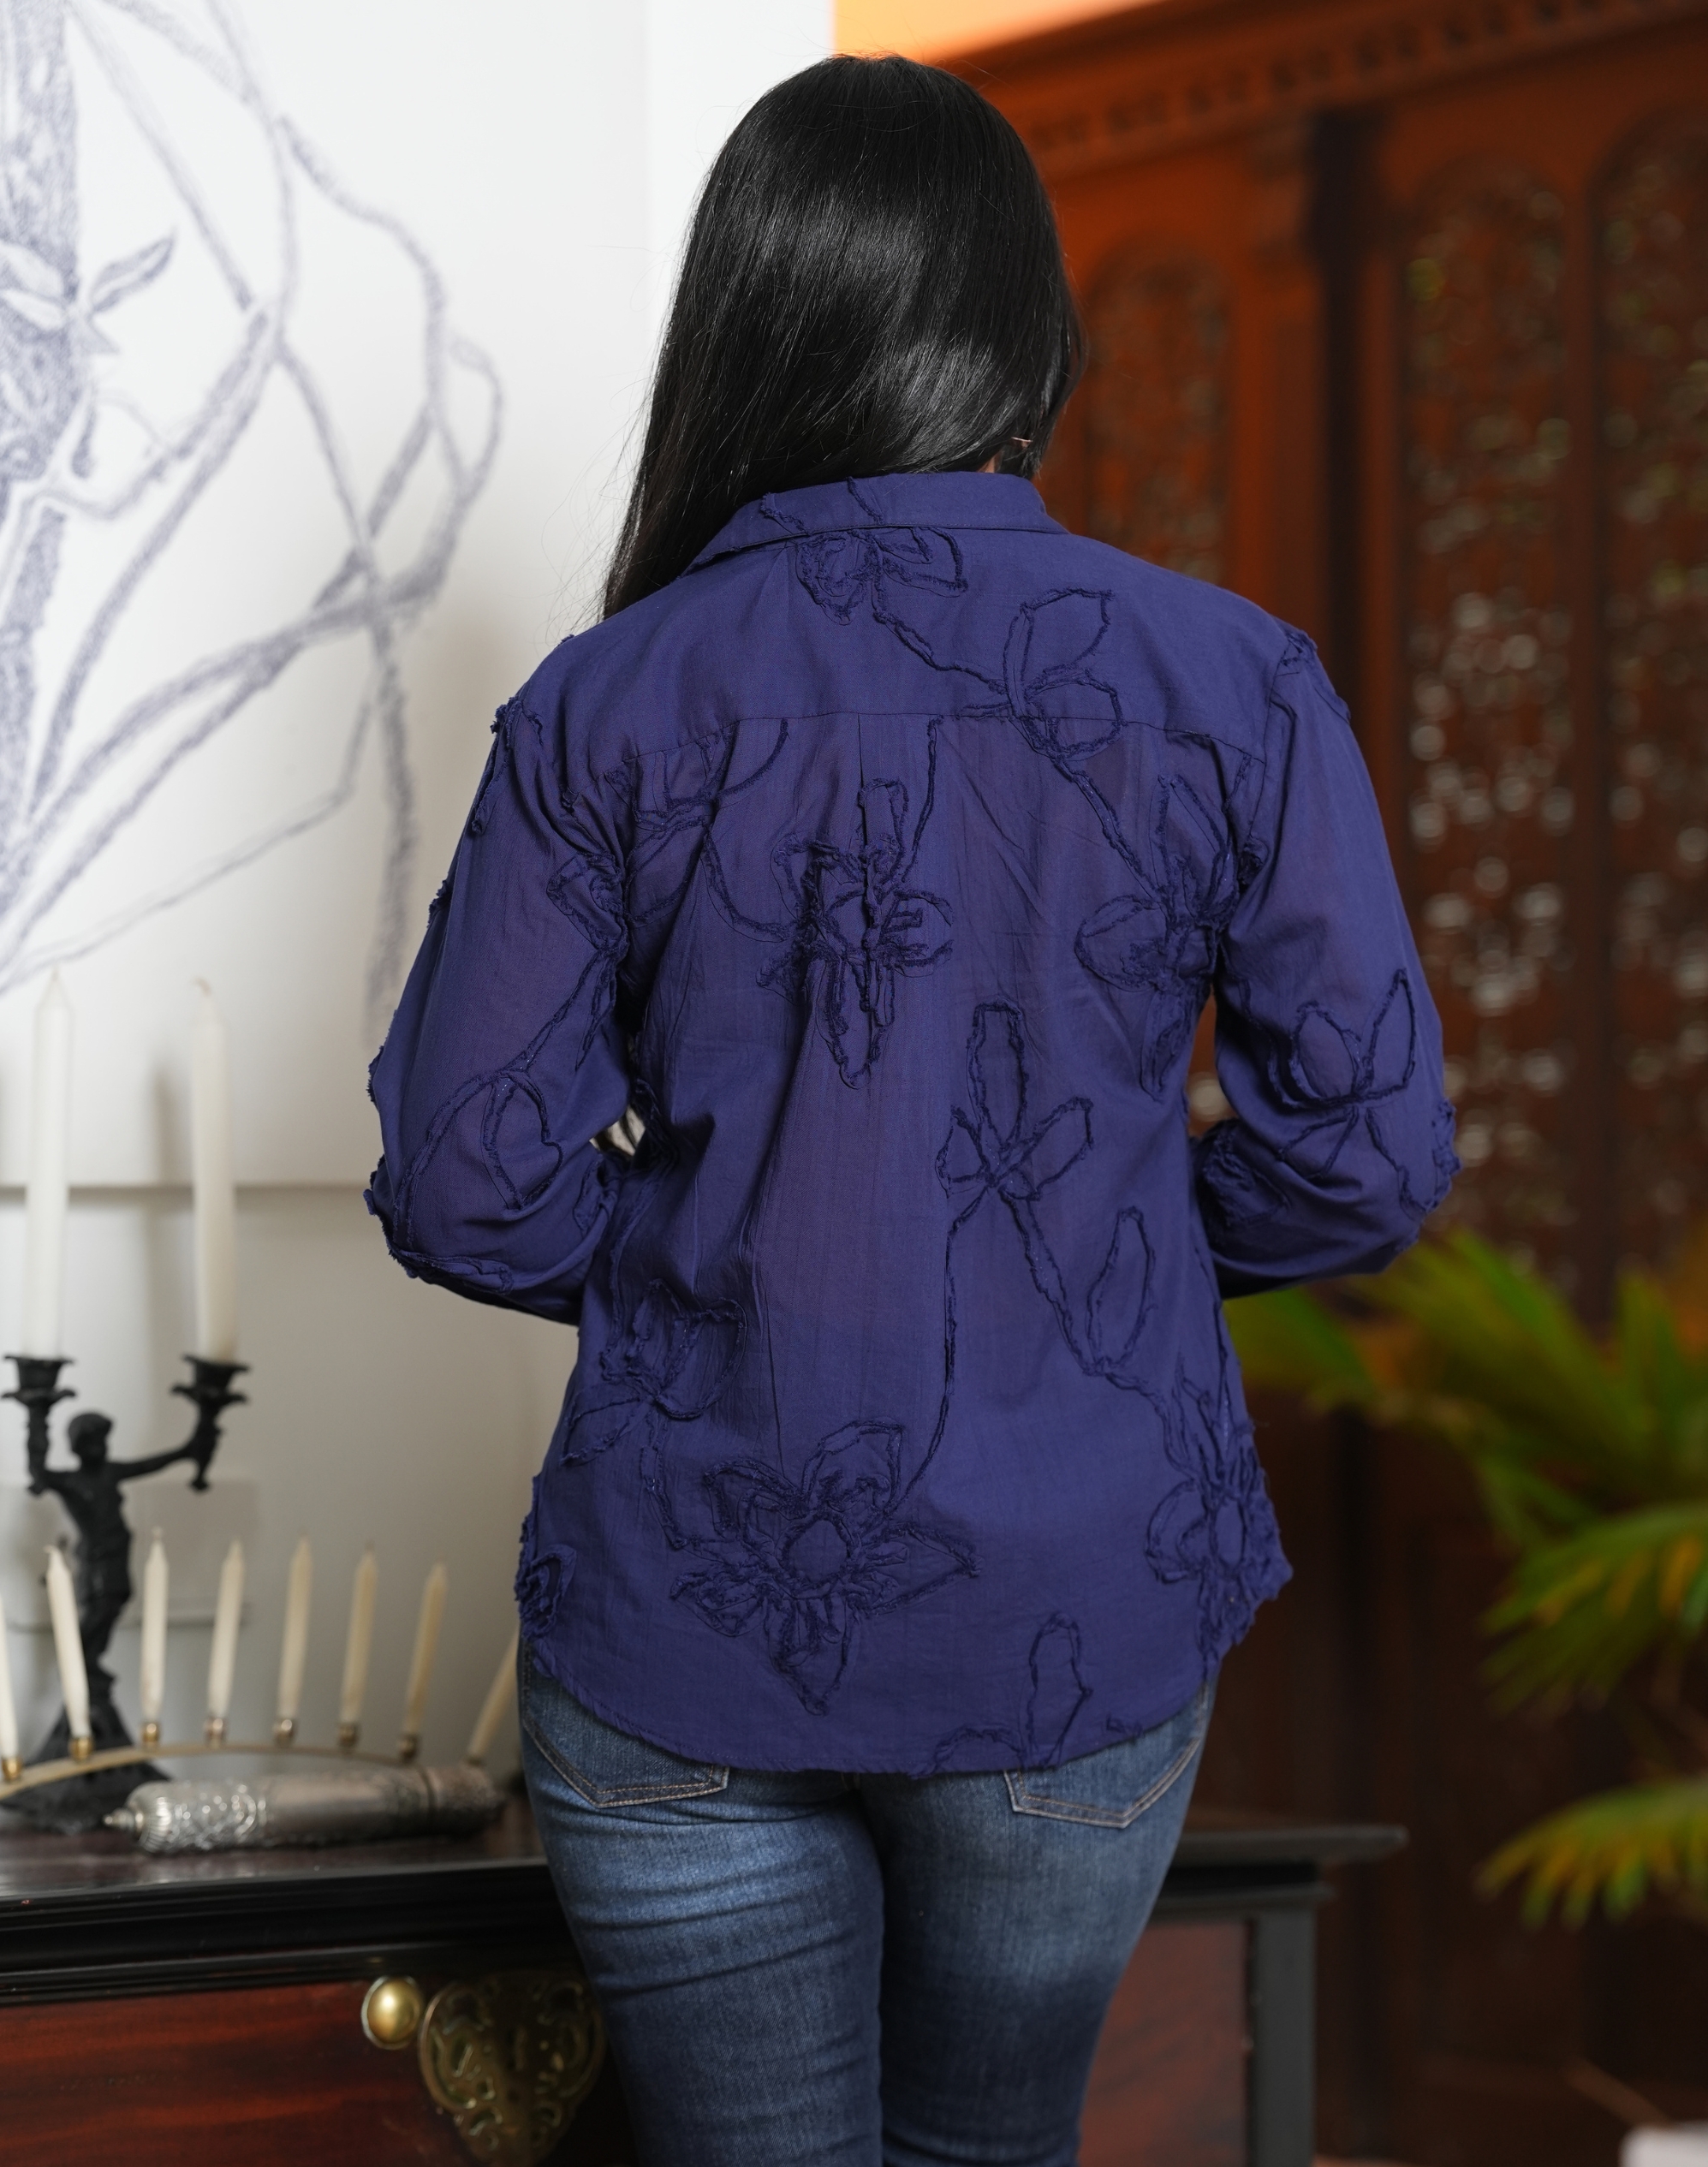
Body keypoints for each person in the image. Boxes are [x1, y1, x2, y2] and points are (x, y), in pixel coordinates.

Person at [366, 52, 1454, 2167]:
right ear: (1025, 336)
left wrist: (718, 1264)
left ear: (746, 329)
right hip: (1078, 1611)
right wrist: (1090, 1256)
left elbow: (465, 1180)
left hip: (681, 1613)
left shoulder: (605, 701)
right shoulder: (1226, 679)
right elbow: (1365, 1154)